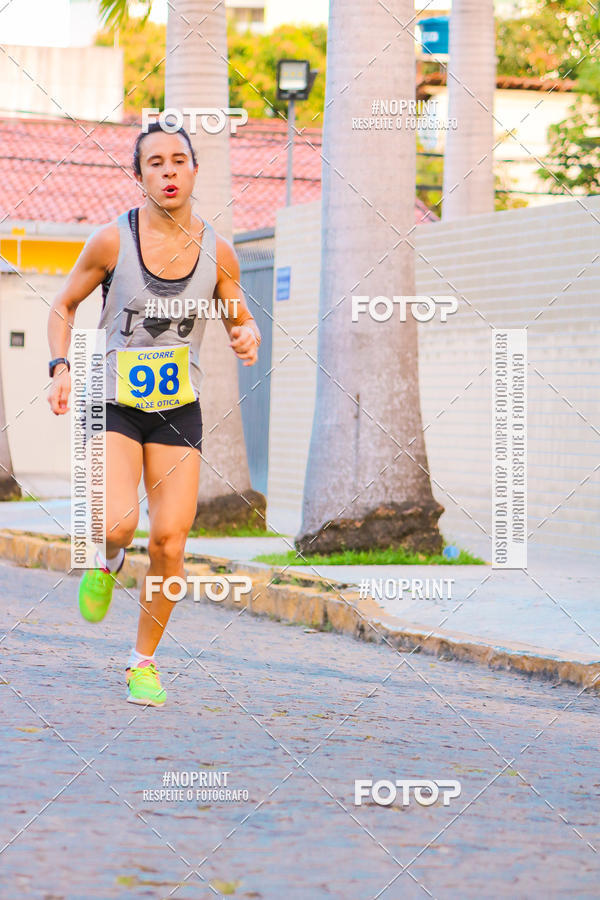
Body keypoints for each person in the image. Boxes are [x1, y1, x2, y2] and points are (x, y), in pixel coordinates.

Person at [47, 122, 261, 707]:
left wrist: (246, 335)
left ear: (195, 170)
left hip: (177, 410)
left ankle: (143, 663)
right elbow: (64, 306)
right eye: (155, 163)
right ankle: (109, 559)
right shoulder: (111, 241)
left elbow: (237, 317)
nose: (168, 171)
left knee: (169, 542)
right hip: (115, 404)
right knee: (118, 524)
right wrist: (60, 367)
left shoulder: (218, 251)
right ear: (139, 175)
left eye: (179, 161)